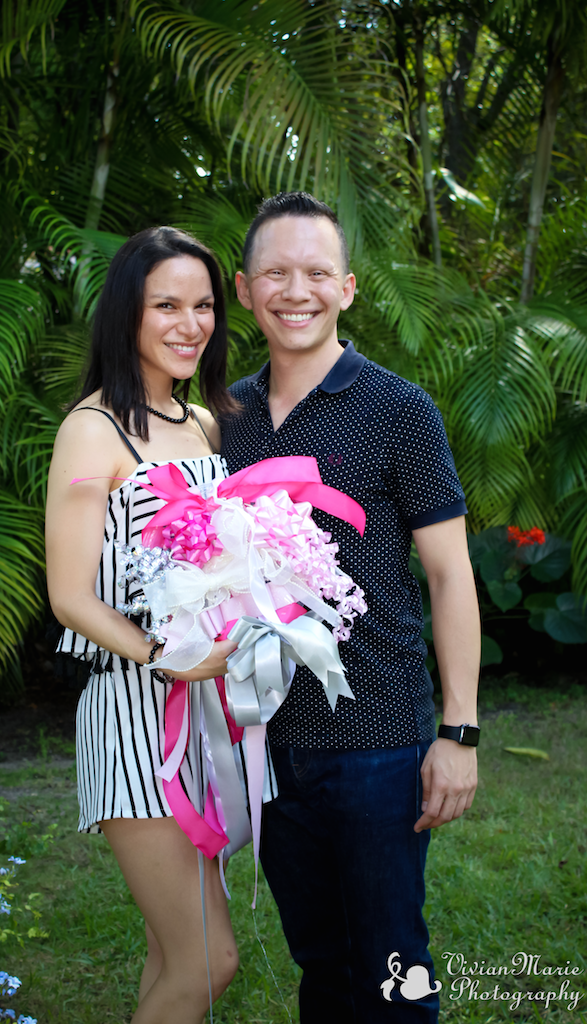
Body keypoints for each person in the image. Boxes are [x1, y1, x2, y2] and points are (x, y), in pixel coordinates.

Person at [221, 192, 481, 1022]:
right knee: (320, 965)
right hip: (264, 739)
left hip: (376, 738)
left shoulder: (399, 410)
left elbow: (449, 576)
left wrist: (458, 734)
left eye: (316, 272)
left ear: (347, 288)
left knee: (389, 965)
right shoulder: (223, 418)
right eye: (275, 273)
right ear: (244, 290)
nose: (295, 291)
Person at [45, 227, 243, 1024]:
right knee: (209, 959)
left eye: (203, 306)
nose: (190, 324)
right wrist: (167, 655)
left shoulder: (203, 423)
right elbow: (69, 595)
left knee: (171, 954)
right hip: (133, 713)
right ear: (126, 312)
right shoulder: (92, 430)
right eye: (166, 305)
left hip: (204, 714)